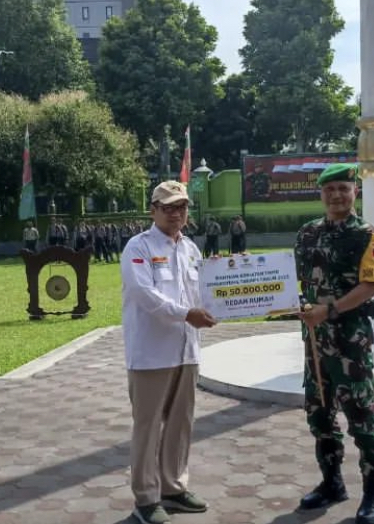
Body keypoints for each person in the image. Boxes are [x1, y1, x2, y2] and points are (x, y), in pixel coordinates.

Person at [294, 162, 374, 524]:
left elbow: (370, 285)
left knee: (360, 414)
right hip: (315, 341)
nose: (336, 195)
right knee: (319, 413)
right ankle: (332, 482)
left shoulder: (367, 235)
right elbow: (294, 282)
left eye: (343, 189)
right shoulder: (306, 235)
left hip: (351, 340)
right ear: (321, 194)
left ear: (354, 193)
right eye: (329, 189)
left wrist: (328, 310)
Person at [120, 180, 218, 524]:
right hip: (151, 353)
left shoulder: (191, 248)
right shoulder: (139, 246)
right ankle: (146, 499)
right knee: (147, 427)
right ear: (153, 210)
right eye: (168, 207)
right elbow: (143, 294)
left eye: (182, 207)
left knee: (180, 423)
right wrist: (185, 314)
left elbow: (204, 294)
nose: (176, 213)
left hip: (186, 350)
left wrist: (224, 282)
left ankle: (173, 488)